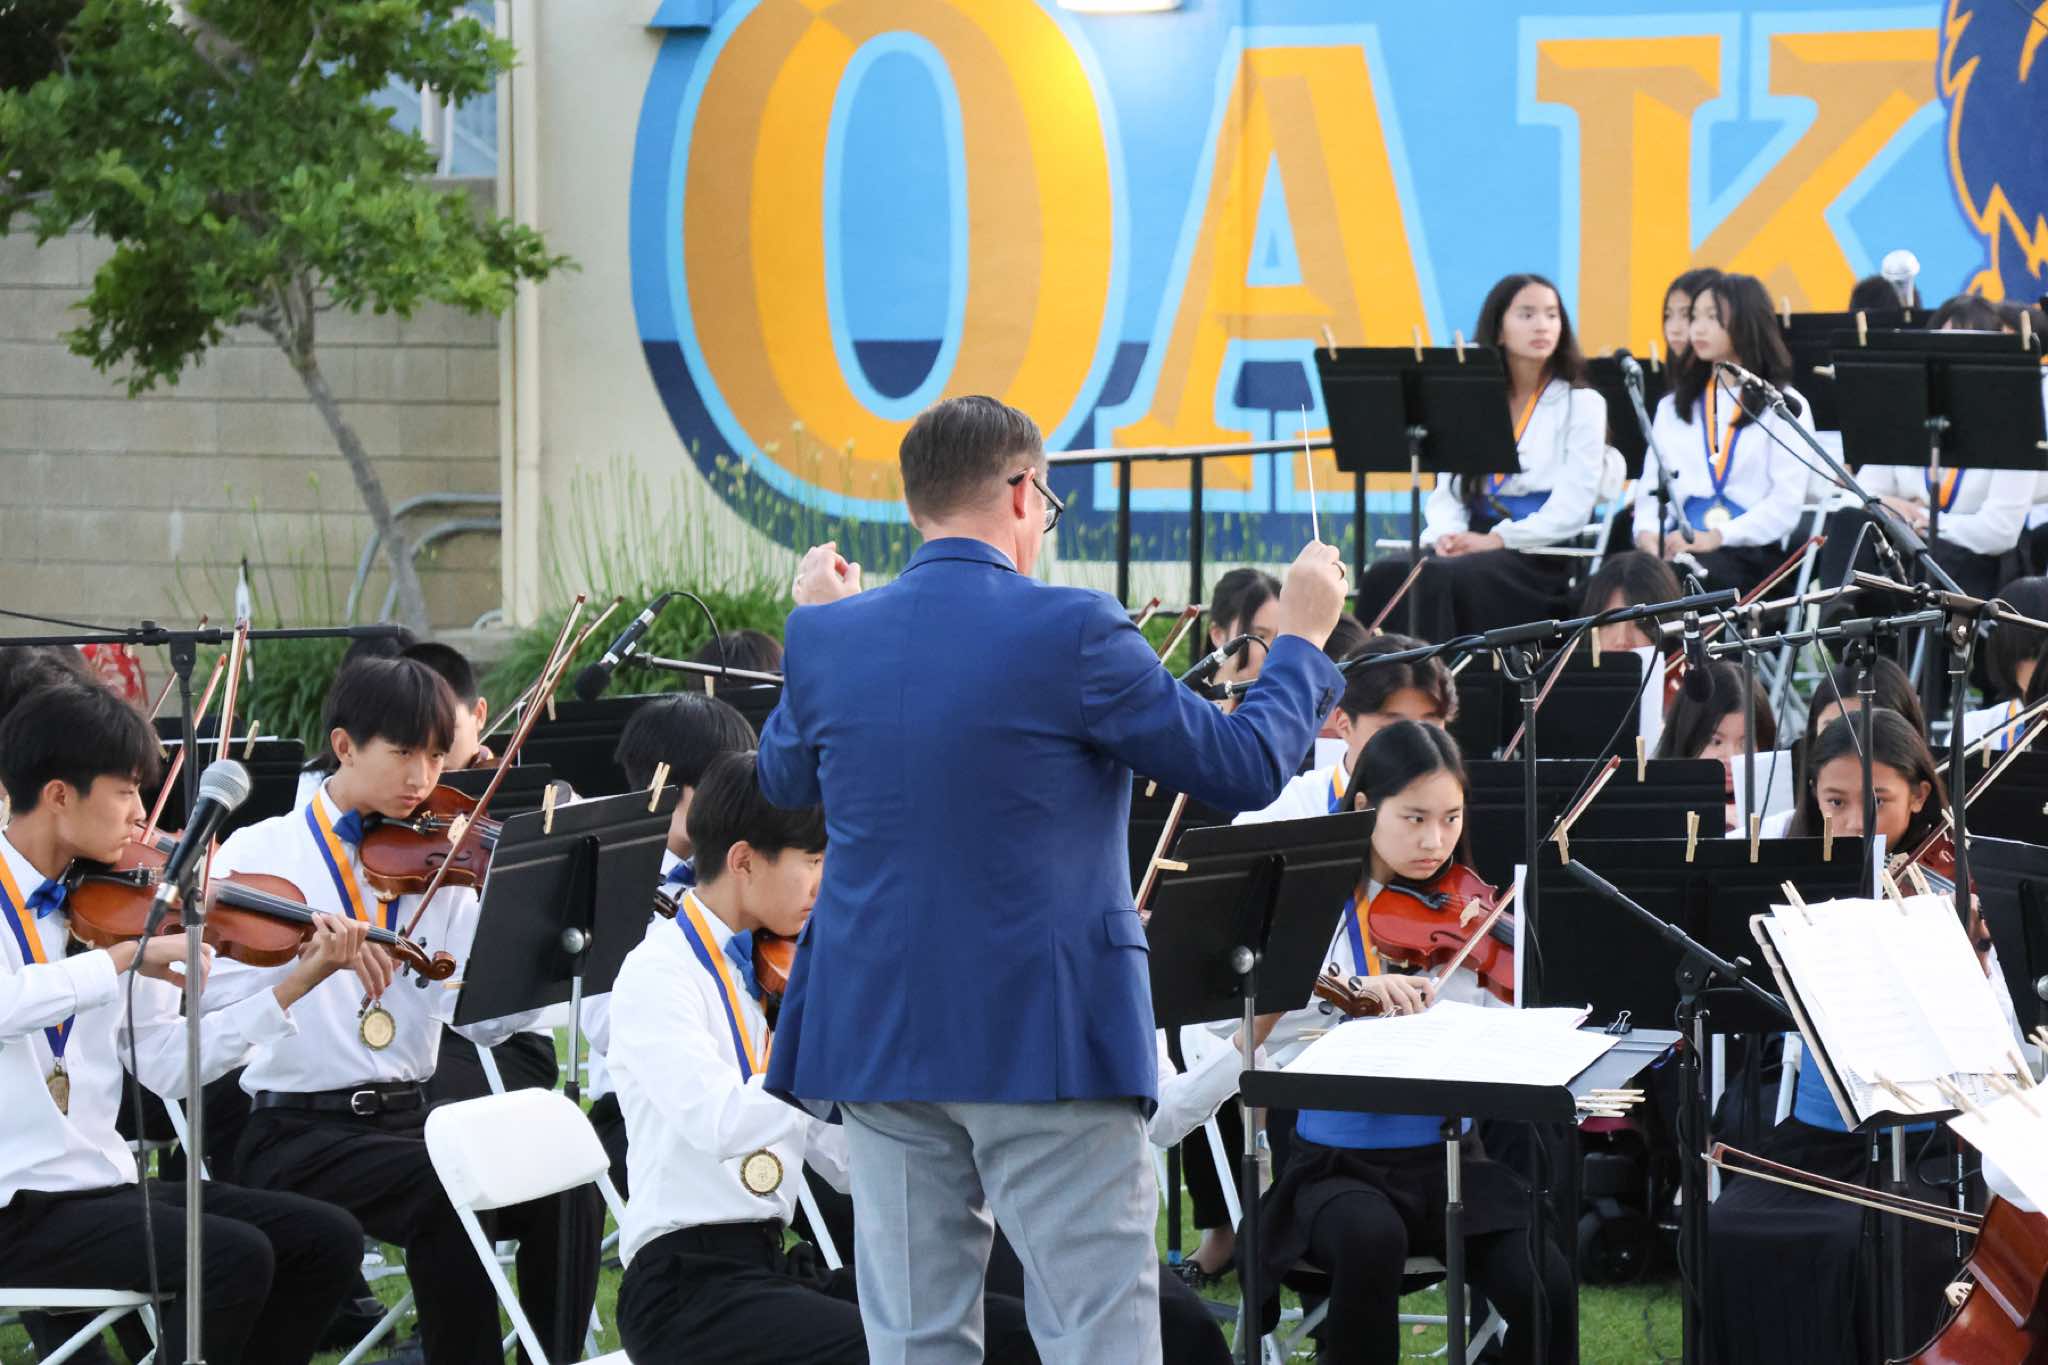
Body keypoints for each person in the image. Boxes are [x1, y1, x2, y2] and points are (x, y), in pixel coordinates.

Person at [759, 393, 1346, 1363]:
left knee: (914, 1339)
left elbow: (782, 783)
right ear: (1024, 492)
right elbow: (1242, 765)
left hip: (877, 1029)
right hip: (1046, 1027)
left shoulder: (827, 636)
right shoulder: (1075, 627)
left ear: (914, 506)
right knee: (1096, 1332)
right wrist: (1304, 641)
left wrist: (817, 627)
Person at [213, 656, 602, 1365]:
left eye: (436, 755)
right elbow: (217, 1021)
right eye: (403, 753)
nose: (423, 777)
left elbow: (482, 1025)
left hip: (414, 1117)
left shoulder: (442, 862)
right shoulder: (259, 853)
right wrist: (307, 971)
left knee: (568, 1178)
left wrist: (535, 939)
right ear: (344, 746)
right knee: (445, 1191)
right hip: (295, 1130)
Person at [0, 682, 367, 1365]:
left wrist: (292, 986)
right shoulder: (113, 941)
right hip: (14, 1205)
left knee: (326, 1240)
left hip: (100, 1188)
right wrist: (118, 960)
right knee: (232, 1258)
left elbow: (167, 1064)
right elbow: (8, 1003)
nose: (142, 816)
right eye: (125, 792)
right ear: (58, 795)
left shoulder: (112, 904)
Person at [1244, 721, 1574, 1365]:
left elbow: (1499, 1037)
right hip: (1336, 1164)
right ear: (1366, 806)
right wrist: (1345, 991)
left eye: (1451, 819)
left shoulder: (1466, 916)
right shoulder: (1309, 907)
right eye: (1414, 819)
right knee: (1370, 1237)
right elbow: (1249, 1041)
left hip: (1449, 1159)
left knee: (1547, 1285)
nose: (1435, 842)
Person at [1714, 710, 1978, 1363]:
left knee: (1873, 1239)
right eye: (1835, 802)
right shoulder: (1796, 882)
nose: (1855, 822)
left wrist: (1967, 947)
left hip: (1924, 1140)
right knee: (1726, 1224)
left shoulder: (1948, 886)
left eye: (1877, 801)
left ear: (1919, 796)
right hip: (1816, 1137)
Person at [1353, 273, 1612, 639]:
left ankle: (1432, 672)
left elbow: (1572, 508)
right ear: (1499, 330)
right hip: (1471, 541)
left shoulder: (1583, 404)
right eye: (1527, 315)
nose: (1542, 325)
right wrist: (1448, 536)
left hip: (1535, 555)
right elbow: (1448, 491)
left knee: (1439, 578)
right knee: (1385, 573)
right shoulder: (1473, 397)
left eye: (1551, 315)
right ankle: (1368, 672)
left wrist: (1498, 539)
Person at [586, 691, 759, 1196]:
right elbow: (605, 1024)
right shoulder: (612, 883)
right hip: (641, 1112)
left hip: (747, 1095)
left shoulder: (745, 870)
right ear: (668, 789)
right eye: (724, 786)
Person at [1816, 295, 2038, 600]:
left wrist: (1921, 519)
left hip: (1973, 563)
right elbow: (1860, 495)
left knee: (1924, 562)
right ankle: (1839, 620)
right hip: (1910, 555)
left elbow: (2001, 530)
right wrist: (1891, 507)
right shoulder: (1906, 413)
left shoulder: (2013, 421)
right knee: (1848, 521)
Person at [1634, 272, 1815, 592]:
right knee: (1621, 579)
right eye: (1695, 317)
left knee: (1679, 581)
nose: (1697, 328)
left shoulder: (1783, 404)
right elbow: (1651, 487)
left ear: (1746, 322)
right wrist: (1649, 536)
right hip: (1679, 544)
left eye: (1713, 317)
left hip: (1750, 553)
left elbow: (1785, 504)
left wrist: (1718, 536)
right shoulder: (1673, 406)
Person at [1655, 660, 1777, 831]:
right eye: (1716, 741)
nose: (1731, 757)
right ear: (1687, 736)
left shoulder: (1777, 807)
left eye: (1745, 744)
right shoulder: (1658, 802)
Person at [1204, 567, 1283, 690]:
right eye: (1259, 636)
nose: (1273, 652)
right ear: (1218, 635)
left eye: (1280, 638)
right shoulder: (1188, 701)